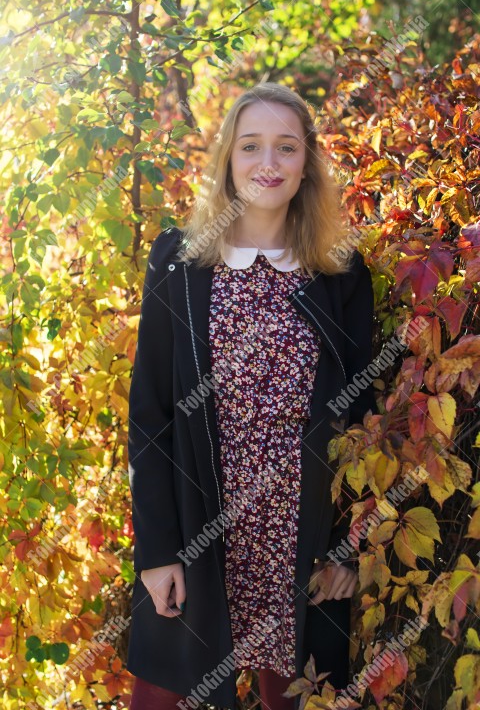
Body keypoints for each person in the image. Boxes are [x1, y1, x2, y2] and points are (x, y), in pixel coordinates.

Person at [127, 82, 377, 710]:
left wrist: (349, 547)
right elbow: (150, 415)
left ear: (306, 163)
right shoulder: (179, 264)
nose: (269, 164)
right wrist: (158, 553)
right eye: (252, 147)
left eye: (286, 148)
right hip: (199, 530)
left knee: (297, 699)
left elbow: (364, 418)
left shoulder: (340, 273)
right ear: (229, 160)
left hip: (301, 540)